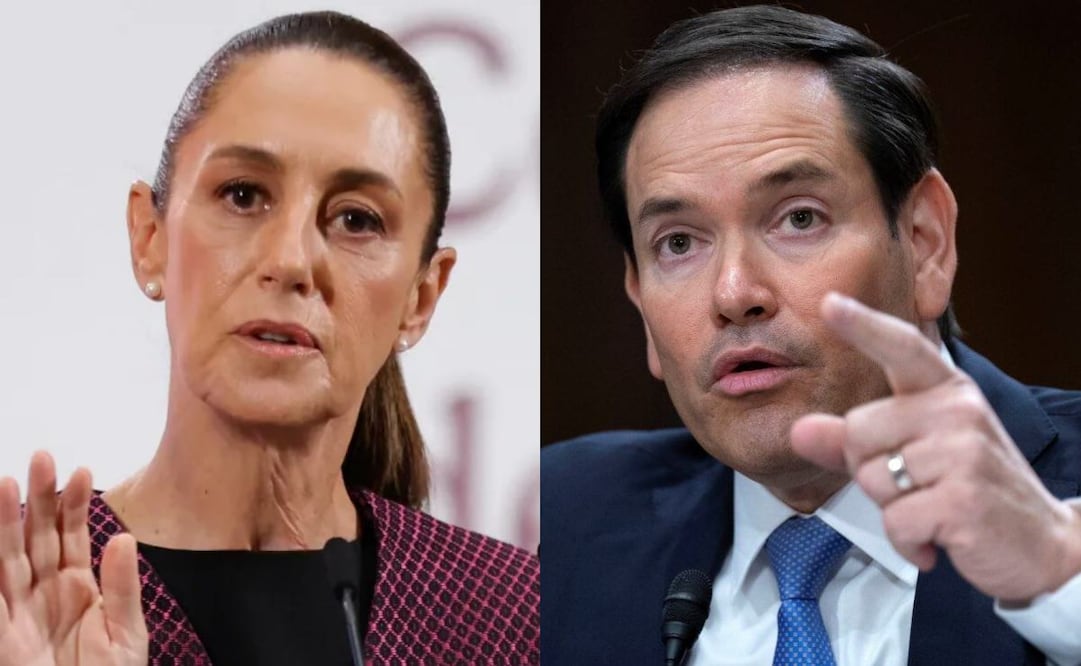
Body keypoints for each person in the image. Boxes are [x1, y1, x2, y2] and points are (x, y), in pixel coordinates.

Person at [541, 5, 1081, 665]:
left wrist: (1058, 580)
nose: (735, 294)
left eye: (798, 219)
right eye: (678, 242)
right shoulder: (566, 524)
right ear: (639, 300)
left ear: (923, 243)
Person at [0, 11, 539, 666]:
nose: (289, 259)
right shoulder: (20, 593)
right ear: (150, 238)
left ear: (421, 298)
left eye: (356, 218)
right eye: (243, 194)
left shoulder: (514, 616)